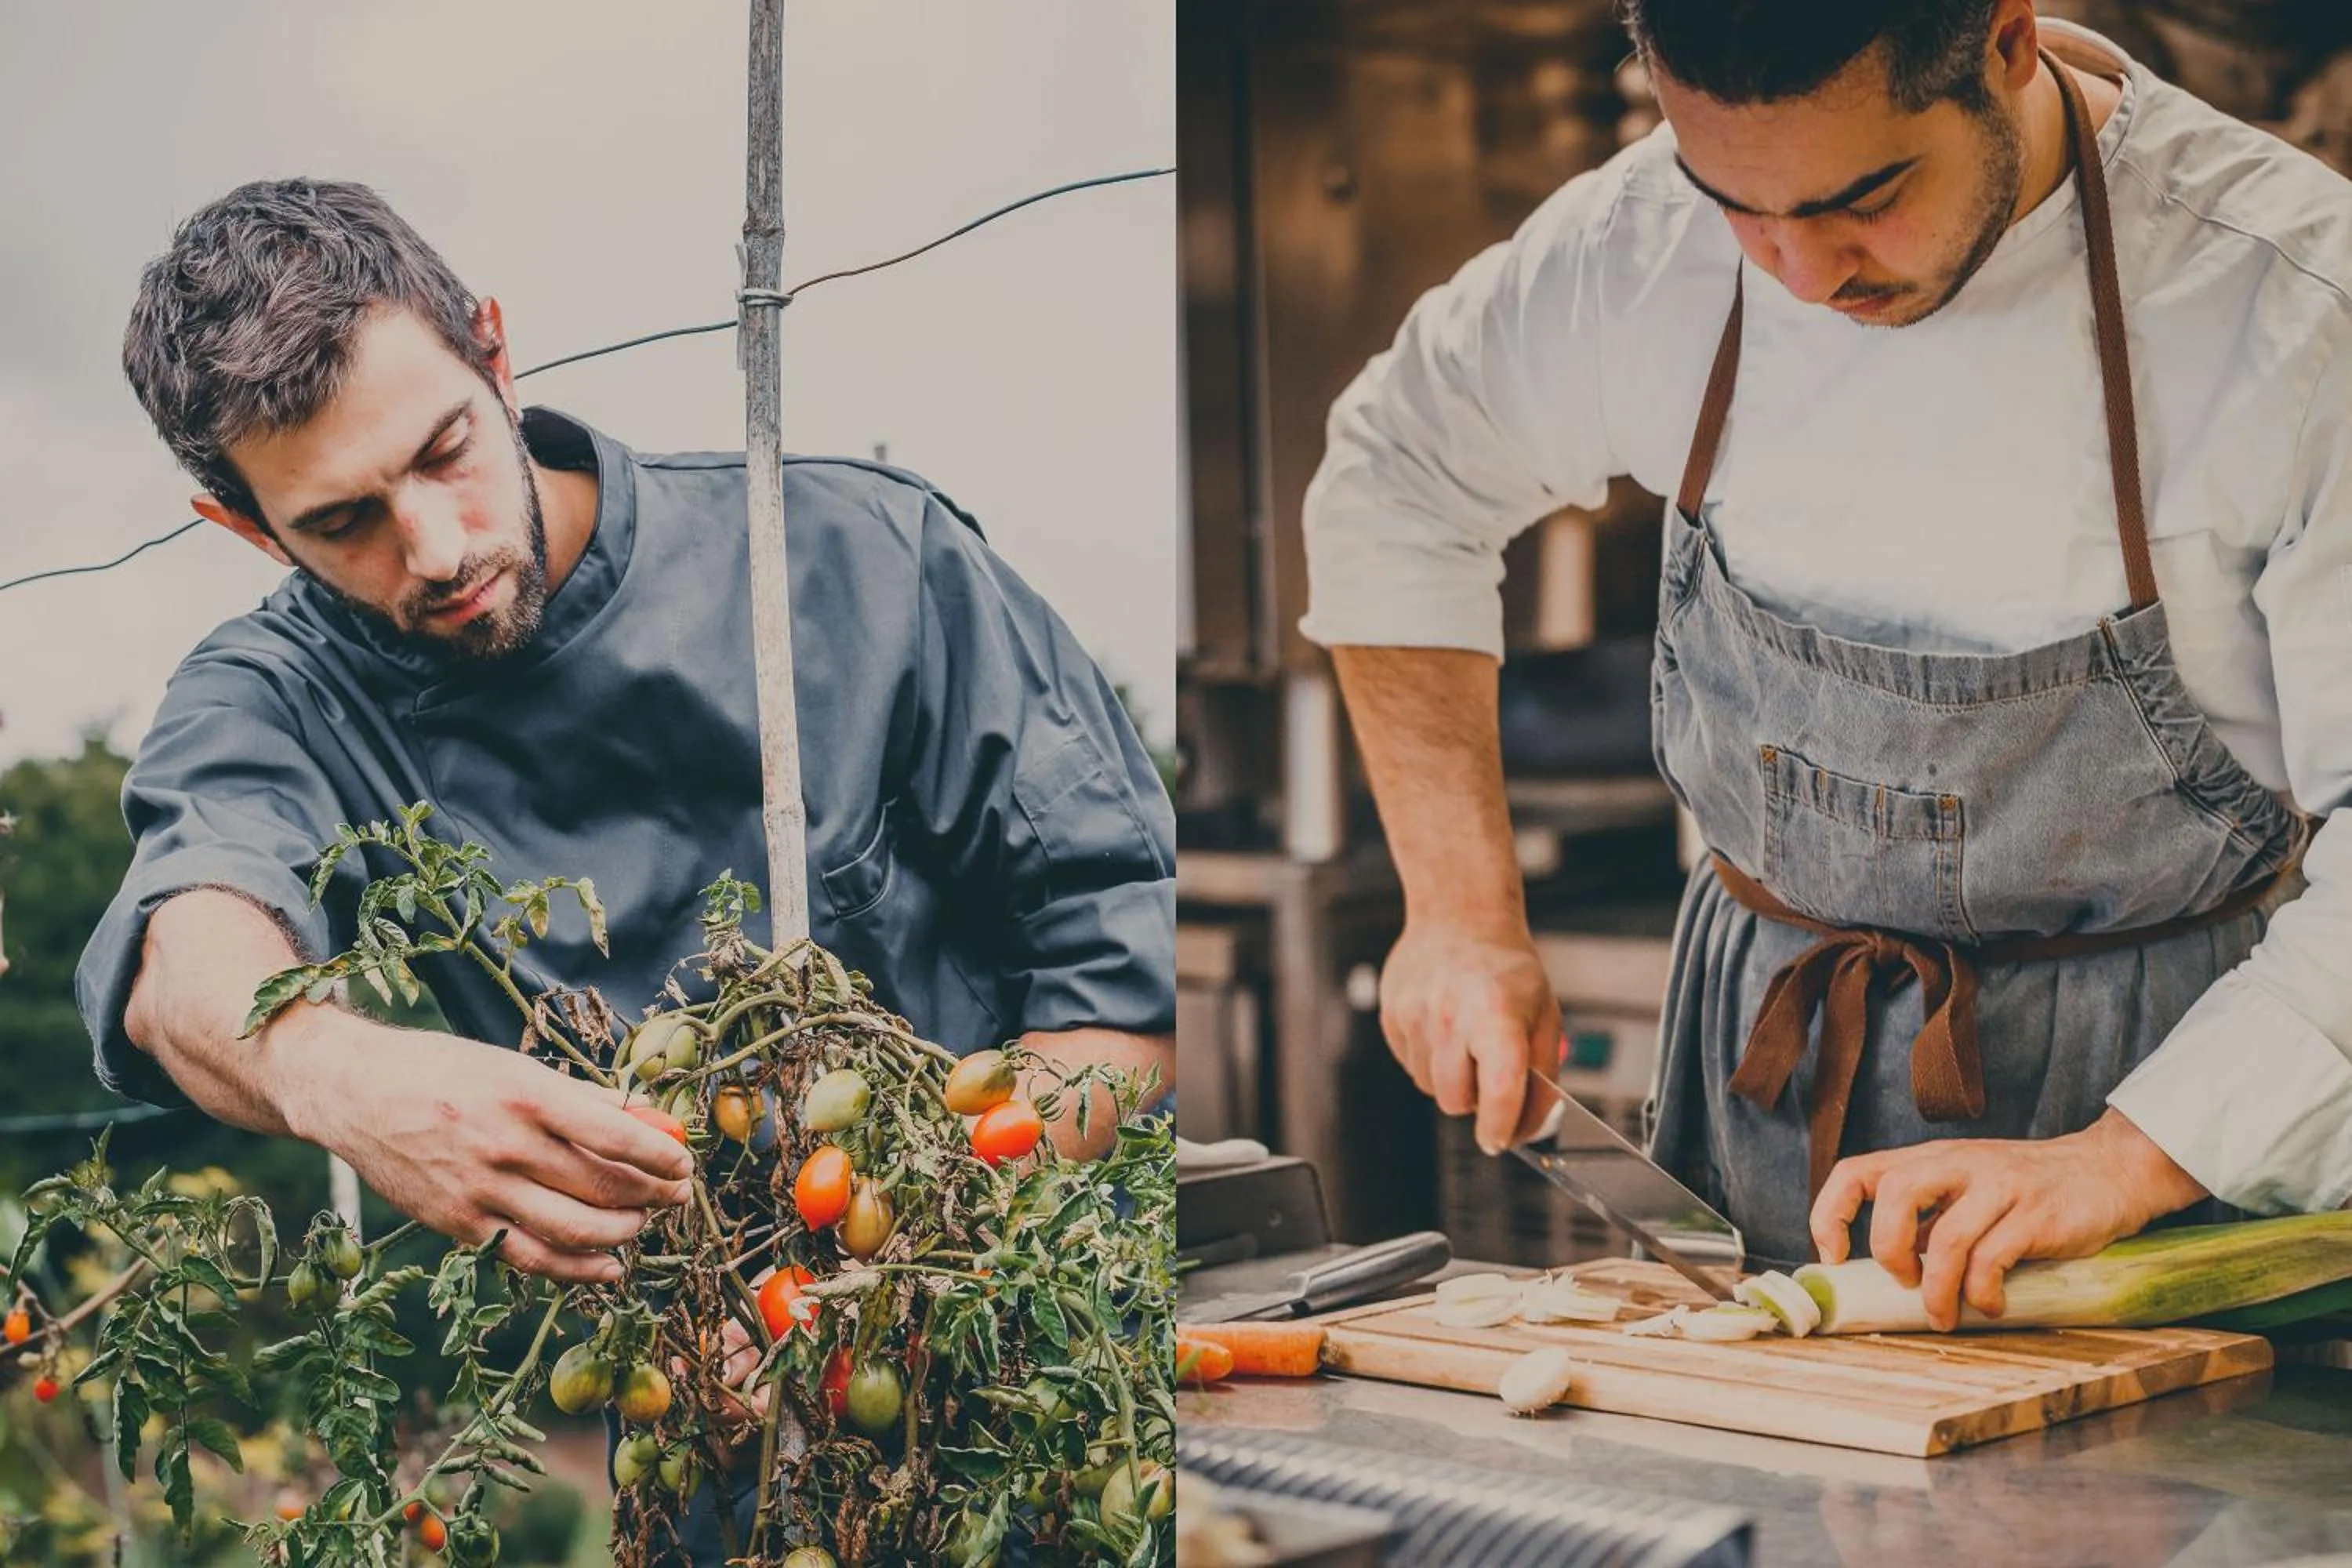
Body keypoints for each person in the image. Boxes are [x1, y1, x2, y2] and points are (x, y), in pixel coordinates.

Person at [1303, 0, 2351, 1327]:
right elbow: (1399, 475)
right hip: (1759, 1117)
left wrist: (2127, 1158)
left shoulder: (2292, 300)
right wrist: (1456, 913)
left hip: (2165, 1158)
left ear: (2007, 44)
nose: (1798, 272)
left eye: (1866, 197)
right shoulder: (1638, 248)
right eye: (1735, 202)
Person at [78, 178, 1175, 1295]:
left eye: (445, 450)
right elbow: (186, 955)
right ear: (248, 529)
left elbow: (1128, 976)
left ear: (495, 356)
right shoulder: (278, 696)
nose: (438, 549)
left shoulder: (867, 557)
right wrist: (347, 1079)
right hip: (696, 1407)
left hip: (1033, 1333)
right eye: (342, 521)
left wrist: (896, 1279)